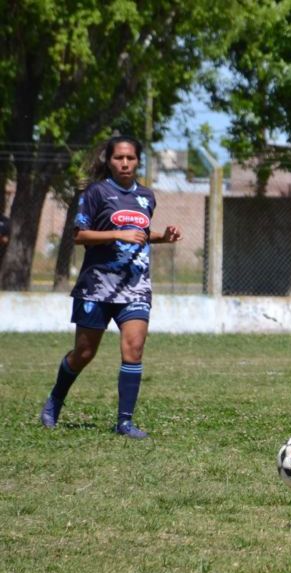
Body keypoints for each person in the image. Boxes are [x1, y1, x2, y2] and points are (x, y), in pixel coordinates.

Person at [39, 135, 182, 438]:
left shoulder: (146, 196)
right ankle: (55, 399)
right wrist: (118, 235)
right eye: (119, 158)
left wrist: (163, 237)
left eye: (130, 158)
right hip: (97, 286)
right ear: (109, 160)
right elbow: (79, 235)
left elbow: (140, 233)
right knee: (84, 352)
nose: (125, 163)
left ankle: (125, 423)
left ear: (138, 161)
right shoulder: (95, 193)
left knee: (134, 349)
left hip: (135, 286)